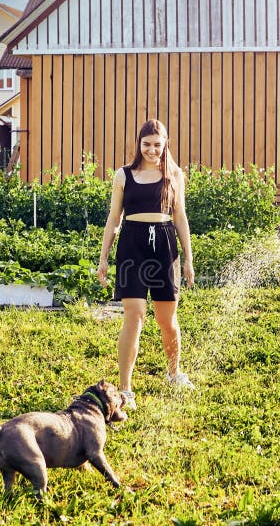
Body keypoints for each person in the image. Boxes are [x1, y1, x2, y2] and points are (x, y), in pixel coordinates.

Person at [97, 119, 195, 410]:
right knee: (134, 315)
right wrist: (103, 257)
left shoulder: (174, 175)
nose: (152, 150)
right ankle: (125, 389)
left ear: (165, 146)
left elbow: (180, 218)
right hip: (132, 245)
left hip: (165, 247)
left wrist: (188, 258)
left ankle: (174, 372)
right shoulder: (124, 175)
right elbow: (114, 219)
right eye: (147, 144)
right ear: (139, 145)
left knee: (167, 320)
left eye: (157, 144)